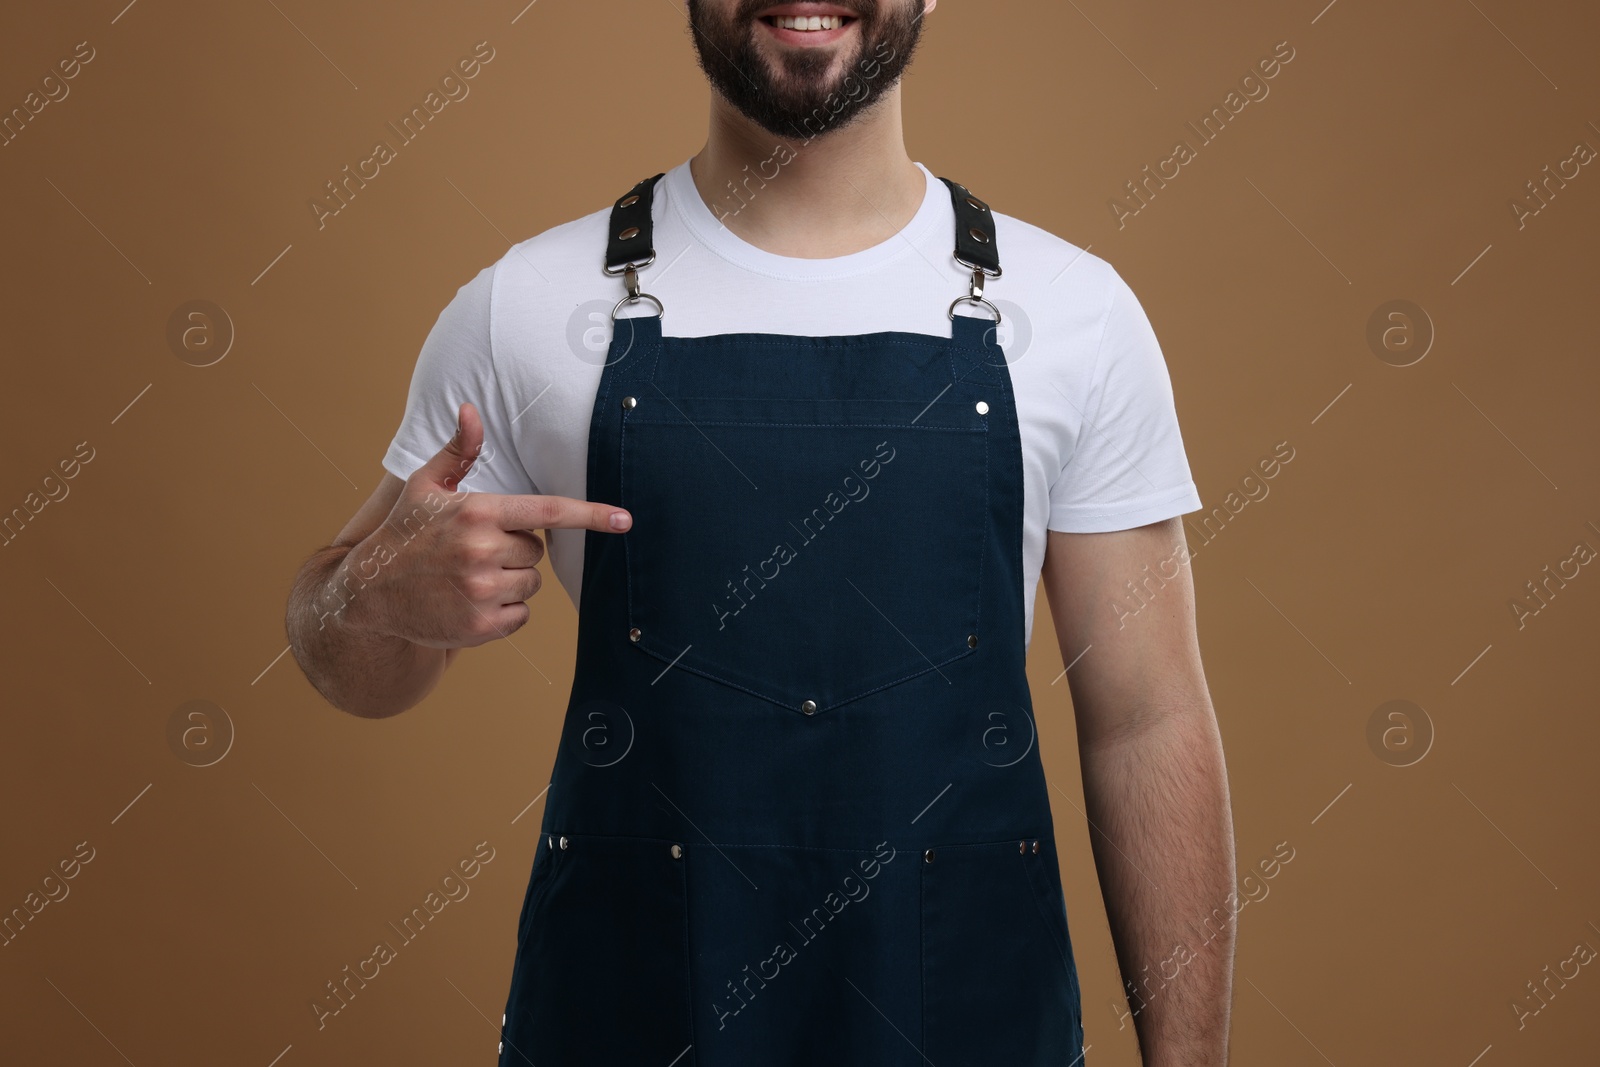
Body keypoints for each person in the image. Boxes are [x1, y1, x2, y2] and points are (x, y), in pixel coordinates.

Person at [284, 2, 1236, 1064]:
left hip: (968, 1019)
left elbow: (1147, 722)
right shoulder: (525, 308)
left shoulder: (1072, 315)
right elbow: (344, 662)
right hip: (633, 1021)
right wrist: (371, 593)